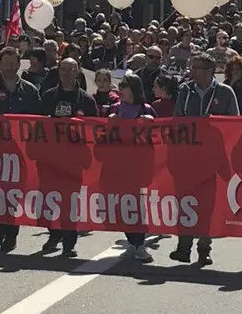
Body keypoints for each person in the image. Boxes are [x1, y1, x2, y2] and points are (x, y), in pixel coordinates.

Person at [171, 53, 239, 266]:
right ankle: (184, 247)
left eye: (198, 68)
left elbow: (234, 125)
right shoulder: (185, 90)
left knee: (207, 205)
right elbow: (176, 121)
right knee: (186, 202)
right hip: (189, 157)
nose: (193, 72)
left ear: (210, 71)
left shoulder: (225, 92)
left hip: (213, 158)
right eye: (193, 68)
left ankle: (204, 248)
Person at [0, 47, 41, 252]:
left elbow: (38, 121)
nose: (10, 67)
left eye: (14, 63)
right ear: (0, 64)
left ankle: (11, 235)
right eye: (6, 63)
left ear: (19, 64)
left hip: (20, 153)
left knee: (14, 194)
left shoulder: (30, 90)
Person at [39, 57, 98, 257]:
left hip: (74, 161)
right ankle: (54, 233)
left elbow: (94, 130)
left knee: (71, 201)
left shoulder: (86, 100)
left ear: (77, 72)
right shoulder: (48, 96)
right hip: (50, 158)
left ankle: (69, 242)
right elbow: (36, 125)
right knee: (50, 198)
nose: (66, 73)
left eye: (70, 69)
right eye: (63, 69)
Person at [108, 73, 156, 262]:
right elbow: (102, 135)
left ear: (134, 88)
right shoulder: (115, 109)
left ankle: (139, 242)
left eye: (125, 86)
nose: (121, 89)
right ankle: (132, 239)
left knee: (138, 205)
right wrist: (109, 123)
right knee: (123, 204)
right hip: (118, 165)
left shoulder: (147, 109)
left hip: (140, 166)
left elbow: (160, 136)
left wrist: (150, 125)